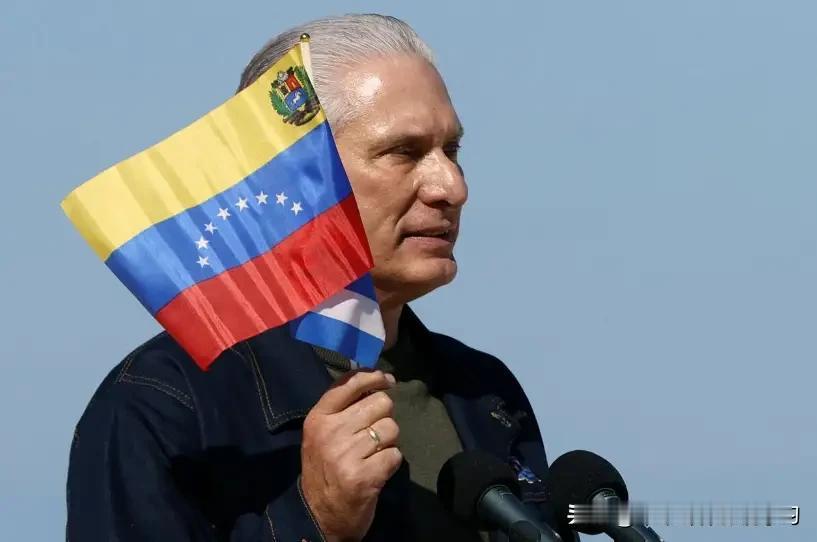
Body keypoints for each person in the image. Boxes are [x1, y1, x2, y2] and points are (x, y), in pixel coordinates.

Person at [67, 14, 574, 542]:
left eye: (451, 151)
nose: (451, 187)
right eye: (403, 152)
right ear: (294, 175)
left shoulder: (485, 392)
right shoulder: (165, 402)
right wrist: (315, 519)